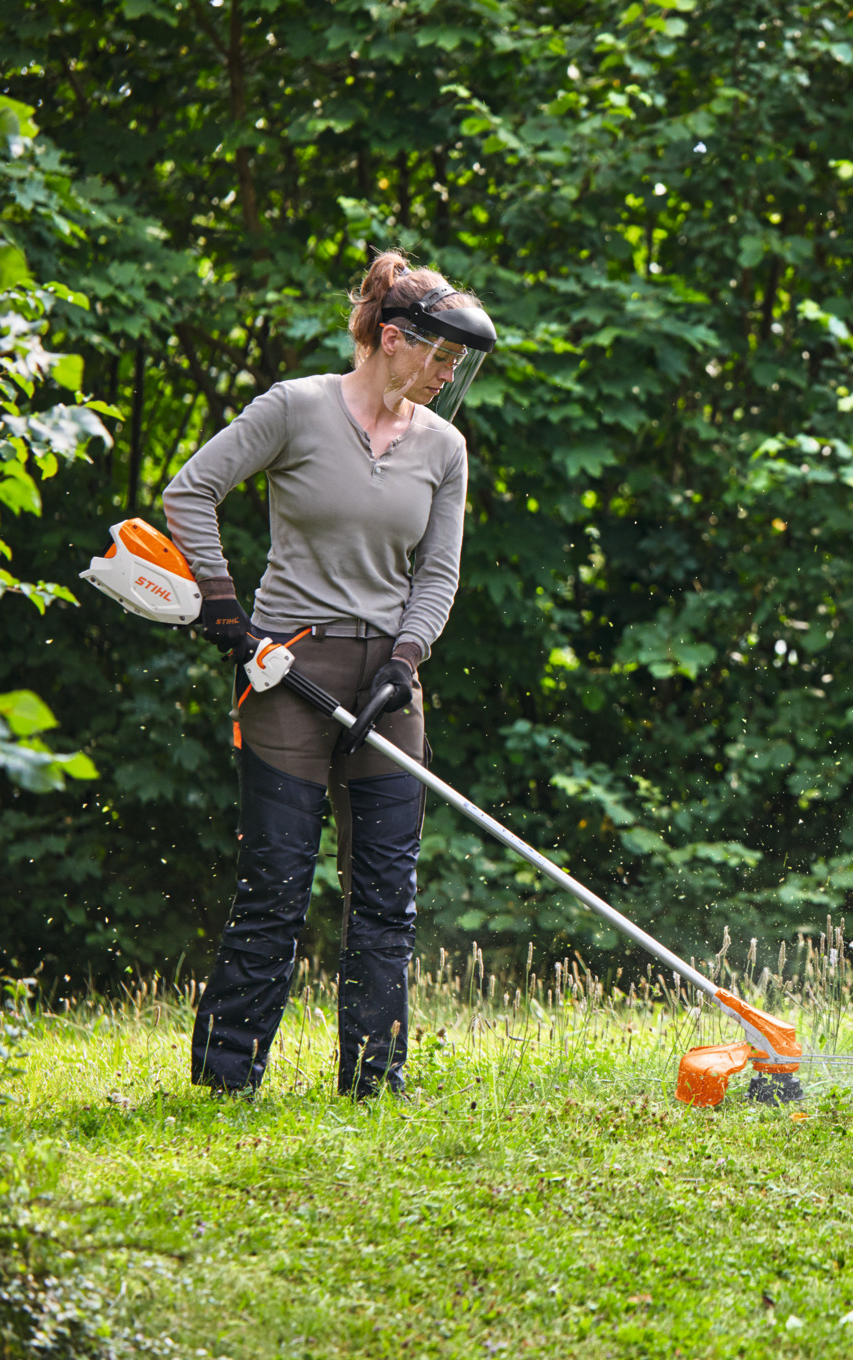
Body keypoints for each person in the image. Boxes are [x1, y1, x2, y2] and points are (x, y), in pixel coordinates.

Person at [164, 249, 495, 1097]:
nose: (448, 373)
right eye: (442, 355)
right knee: (275, 882)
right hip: (284, 667)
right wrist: (227, 611)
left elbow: (438, 574)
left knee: (387, 894)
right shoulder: (296, 409)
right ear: (393, 337)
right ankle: (227, 1079)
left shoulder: (444, 449)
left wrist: (408, 657)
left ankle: (374, 1084)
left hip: (389, 680)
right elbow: (189, 493)